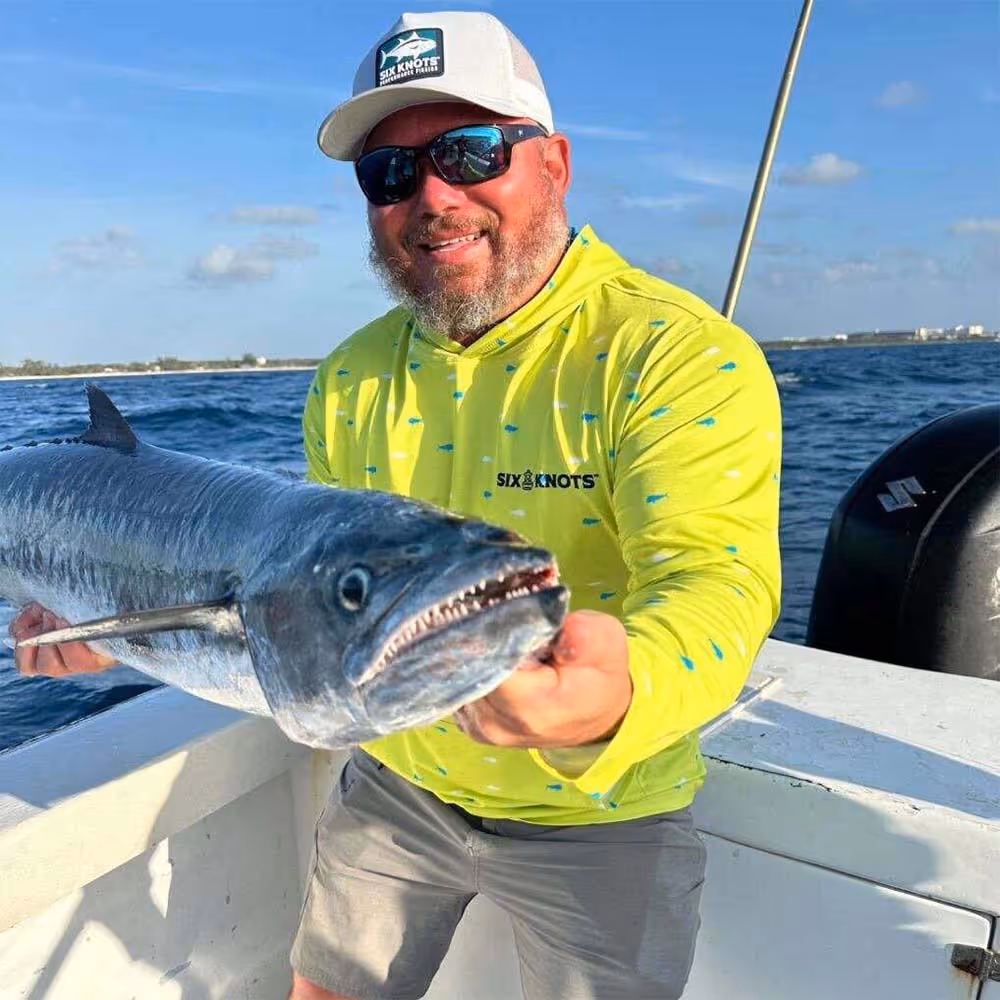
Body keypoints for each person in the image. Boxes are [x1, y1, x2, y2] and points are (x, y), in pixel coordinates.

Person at [12, 11, 782, 999]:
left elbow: (718, 582)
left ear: (553, 162)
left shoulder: (675, 353)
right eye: (390, 172)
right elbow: (306, 595)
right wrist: (107, 632)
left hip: (606, 806)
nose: (432, 195)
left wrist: (612, 697)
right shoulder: (352, 375)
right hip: (394, 782)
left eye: (470, 152)